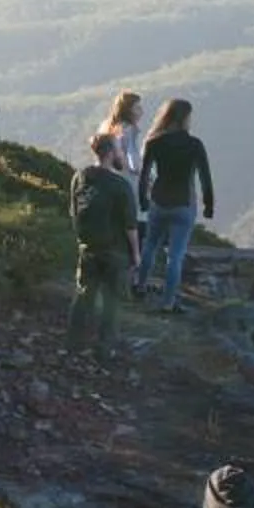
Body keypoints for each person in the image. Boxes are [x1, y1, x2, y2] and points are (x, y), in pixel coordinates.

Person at [137, 97, 215, 312]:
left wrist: (143, 200)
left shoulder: (154, 142)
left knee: (150, 246)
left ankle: (140, 286)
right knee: (175, 256)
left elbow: (144, 176)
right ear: (185, 118)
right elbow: (205, 177)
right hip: (184, 204)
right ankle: (168, 302)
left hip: (159, 201)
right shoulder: (194, 144)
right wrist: (209, 205)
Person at [66, 131, 137, 355]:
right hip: (115, 250)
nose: (121, 152)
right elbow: (130, 225)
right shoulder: (120, 185)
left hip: (88, 246)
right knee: (111, 300)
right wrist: (136, 254)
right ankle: (105, 348)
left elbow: (73, 212)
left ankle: (74, 344)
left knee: (84, 295)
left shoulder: (80, 177)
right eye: (118, 148)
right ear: (111, 153)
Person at [101, 89, 147, 182]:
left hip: (111, 177)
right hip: (128, 179)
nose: (142, 111)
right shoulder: (129, 130)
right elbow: (134, 163)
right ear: (128, 111)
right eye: (137, 108)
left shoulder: (108, 128)